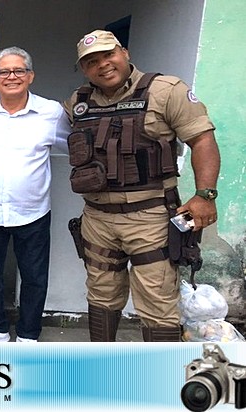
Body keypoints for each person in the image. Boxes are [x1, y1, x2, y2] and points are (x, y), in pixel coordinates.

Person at [64, 30, 220, 342]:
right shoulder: (78, 103)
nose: (103, 65)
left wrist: (205, 194)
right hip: (96, 217)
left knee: (156, 301)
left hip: (150, 216)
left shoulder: (166, 90)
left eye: (109, 55)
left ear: (125, 53)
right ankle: (102, 366)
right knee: (100, 293)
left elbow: (202, 139)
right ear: (84, 69)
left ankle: (157, 377)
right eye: (92, 61)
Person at [0, 46, 71, 343]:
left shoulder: (51, 112)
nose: (11, 76)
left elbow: (71, 146)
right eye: (3, 71)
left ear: (30, 76)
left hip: (33, 209)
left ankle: (29, 335)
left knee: (33, 277)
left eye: (19, 70)